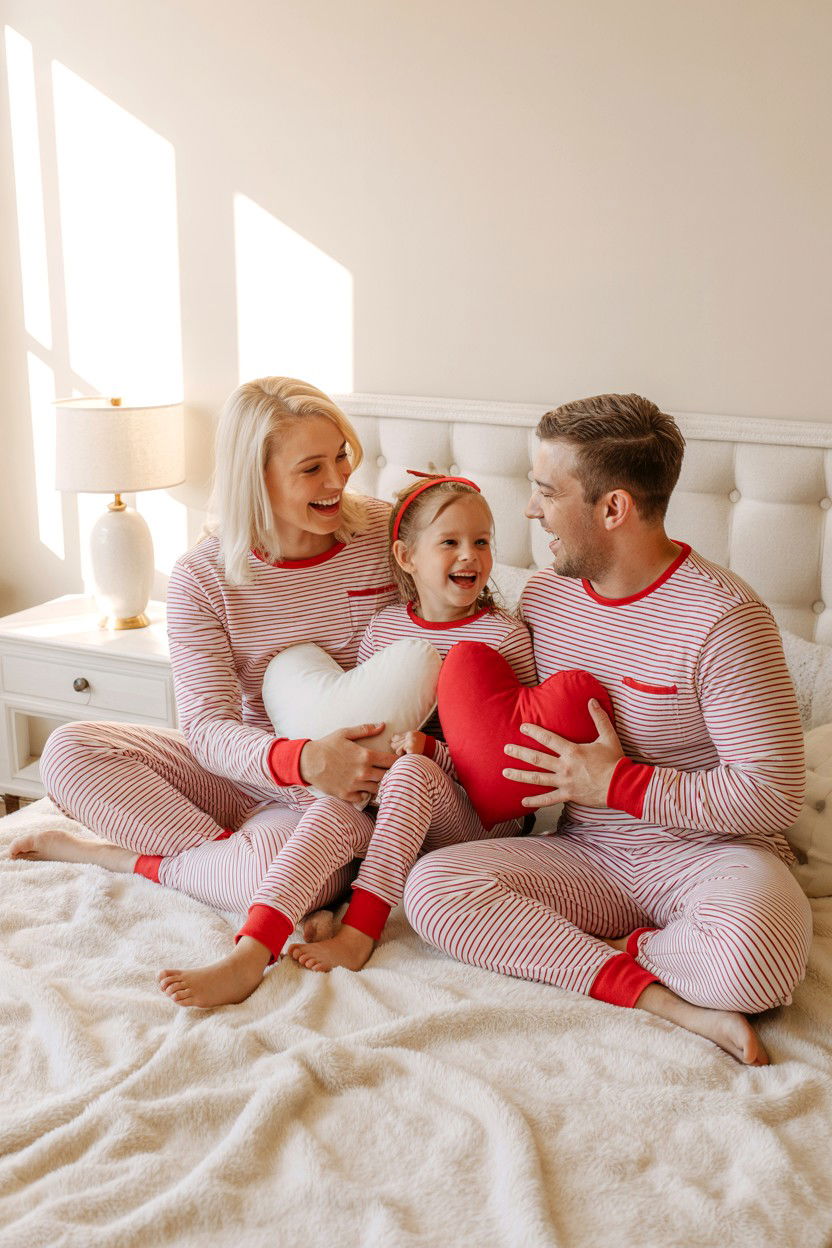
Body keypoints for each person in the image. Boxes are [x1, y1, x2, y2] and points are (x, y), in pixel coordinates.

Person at [402, 393, 812, 1066]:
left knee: (756, 968)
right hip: (588, 858)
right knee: (433, 890)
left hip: (706, 858)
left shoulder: (726, 621)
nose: (531, 510)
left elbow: (771, 794)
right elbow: (502, 731)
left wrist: (619, 783)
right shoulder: (545, 598)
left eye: (545, 492)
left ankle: (621, 949)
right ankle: (656, 995)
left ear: (612, 508)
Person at [10, 377, 401, 991]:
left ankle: (135, 860)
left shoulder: (383, 536)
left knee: (283, 857)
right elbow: (206, 729)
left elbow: (458, 553)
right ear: (257, 477)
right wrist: (299, 760)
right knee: (67, 751)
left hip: (346, 794)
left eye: (343, 455)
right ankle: (237, 864)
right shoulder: (204, 578)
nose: (338, 480)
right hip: (253, 771)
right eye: (311, 468)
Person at [150, 472, 539, 1005]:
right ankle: (250, 952)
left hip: (468, 815)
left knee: (410, 771)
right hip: (391, 809)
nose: (469, 555)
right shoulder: (383, 631)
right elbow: (367, 716)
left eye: (482, 541)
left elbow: (509, 755)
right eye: (449, 542)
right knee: (336, 803)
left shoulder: (503, 637)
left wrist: (433, 754)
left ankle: (362, 928)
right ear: (405, 557)